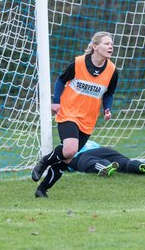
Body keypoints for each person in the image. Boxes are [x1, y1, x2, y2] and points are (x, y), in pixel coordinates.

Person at [32, 31, 118, 197]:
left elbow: (109, 93)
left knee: (67, 159)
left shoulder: (112, 70)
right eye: (106, 43)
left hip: (88, 119)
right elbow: (61, 80)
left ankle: (42, 190)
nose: (110, 46)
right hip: (69, 112)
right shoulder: (78, 63)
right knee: (70, 150)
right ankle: (44, 162)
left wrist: (107, 108)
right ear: (95, 46)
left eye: (111, 44)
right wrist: (56, 101)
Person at [34, 140, 145, 198]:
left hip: (82, 156)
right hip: (102, 149)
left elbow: (60, 165)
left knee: (93, 163)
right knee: (125, 163)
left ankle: (104, 167)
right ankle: (139, 166)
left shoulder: (67, 149)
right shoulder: (86, 140)